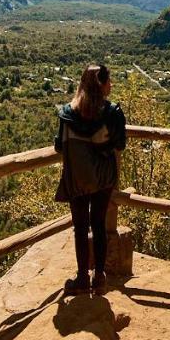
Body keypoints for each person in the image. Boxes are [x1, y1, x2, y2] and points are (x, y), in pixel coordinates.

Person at [54, 63, 126, 295]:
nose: (111, 85)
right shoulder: (112, 113)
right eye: (108, 81)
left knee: (81, 228)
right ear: (102, 85)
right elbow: (120, 144)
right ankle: (100, 277)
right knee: (99, 225)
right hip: (103, 178)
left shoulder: (67, 114)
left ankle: (82, 277)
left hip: (77, 177)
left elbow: (58, 145)